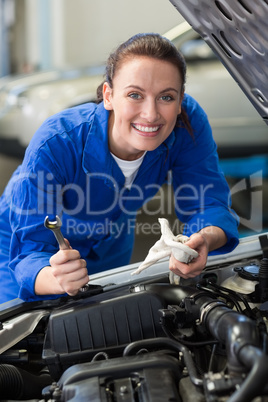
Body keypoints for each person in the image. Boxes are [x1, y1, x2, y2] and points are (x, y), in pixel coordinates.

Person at [0, 33, 239, 303]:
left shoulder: (187, 122)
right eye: (135, 95)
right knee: (22, 333)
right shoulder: (56, 141)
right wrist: (52, 276)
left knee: (103, 330)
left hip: (111, 238)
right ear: (108, 95)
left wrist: (204, 239)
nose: (150, 114)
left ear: (181, 99)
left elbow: (209, 204)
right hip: (21, 241)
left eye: (166, 97)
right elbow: (29, 251)